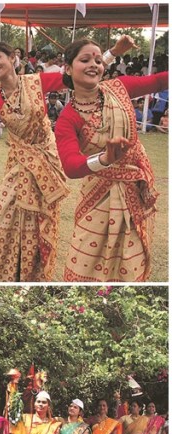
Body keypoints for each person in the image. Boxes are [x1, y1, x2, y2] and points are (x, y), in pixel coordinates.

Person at [54, 38, 168, 282]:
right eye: (85, 60)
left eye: (98, 60)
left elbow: (159, 80)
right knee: (88, 259)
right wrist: (105, 159)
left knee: (132, 254)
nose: (94, 64)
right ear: (68, 68)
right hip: (98, 194)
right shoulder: (68, 118)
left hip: (133, 190)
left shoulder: (120, 88)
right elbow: (72, 166)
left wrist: (113, 52)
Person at [0, 41, 78, 282]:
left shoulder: (36, 82)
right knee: (5, 214)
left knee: (40, 218)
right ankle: (5, 271)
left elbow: (74, 77)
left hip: (46, 159)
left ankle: (34, 273)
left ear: (13, 57)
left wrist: (110, 55)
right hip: (19, 162)